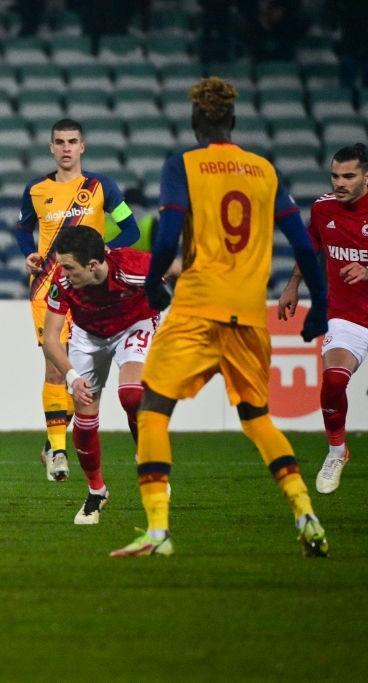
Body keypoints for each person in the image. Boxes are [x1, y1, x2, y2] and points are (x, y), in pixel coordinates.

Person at [112, 77, 330, 558]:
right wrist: (322, 307)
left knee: (152, 411)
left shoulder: (183, 165)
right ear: (232, 122)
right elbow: (303, 244)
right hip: (250, 314)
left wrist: (152, 284)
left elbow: (167, 232)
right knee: (257, 419)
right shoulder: (265, 171)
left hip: (196, 306)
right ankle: (305, 512)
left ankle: (157, 530)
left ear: (195, 123)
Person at [14, 118, 140, 484]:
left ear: (82, 146)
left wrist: (106, 252)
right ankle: (57, 450)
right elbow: (23, 228)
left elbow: (129, 227)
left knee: (81, 375)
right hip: (47, 286)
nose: (66, 147)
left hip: (90, 288)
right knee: (56, 366)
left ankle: (51, 439)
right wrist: (29, 253)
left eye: (72, 141)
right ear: (51, 147)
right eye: (59, 142)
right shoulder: (36, 189)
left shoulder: (101, 187)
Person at [42, 227, 173, 524]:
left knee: (132, 395)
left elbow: (171, 272)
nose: (63, 272)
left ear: (92, 265)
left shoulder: (134, 267)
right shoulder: (62, 280)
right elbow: (51, 339)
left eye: (69, 266)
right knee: (85, 419)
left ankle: (148, 458)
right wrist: (73, 377)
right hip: (88, 336)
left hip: (134, 325)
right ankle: (96, 491)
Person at [278, 143, 368, 494]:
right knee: (333, 380)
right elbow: (310, 246)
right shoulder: (323, 208)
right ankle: (336, 451)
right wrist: (293, 284)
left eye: (349, 176)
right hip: (348, 316)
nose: (340, 182)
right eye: (335, 176)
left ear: (366, 176)